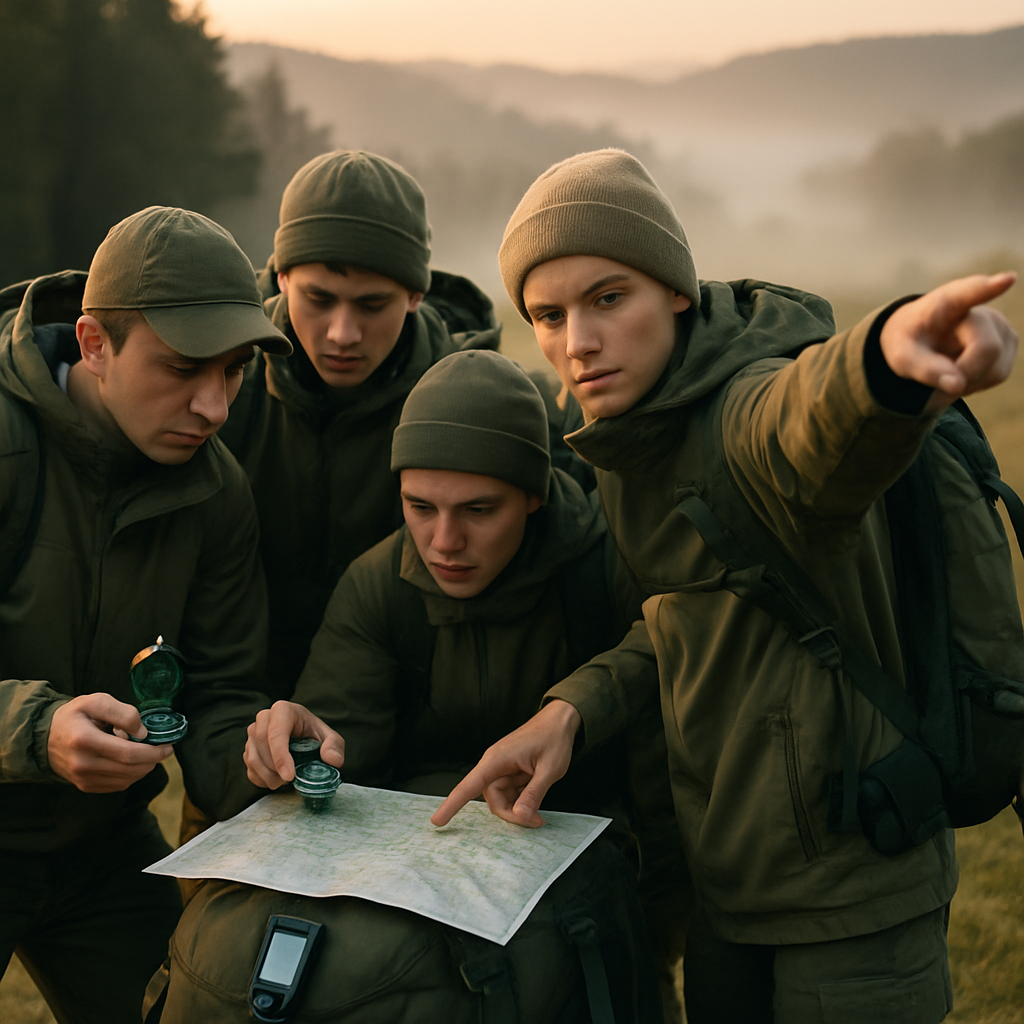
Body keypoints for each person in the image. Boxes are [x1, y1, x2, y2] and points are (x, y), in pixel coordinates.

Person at [432, 149, 1020, 1023]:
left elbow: (806, 423)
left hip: (852, 902)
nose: (577, 342)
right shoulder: (638, 435)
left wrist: (885, 361)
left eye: (607, 298)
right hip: (731, 898)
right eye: (547, 315)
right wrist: (571, 712)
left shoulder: (741, 403)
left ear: (674, 288)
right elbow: (687, 614)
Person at [155, 350, 684, 1023]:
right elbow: (341, 756)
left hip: (582, 882)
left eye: (479, 509)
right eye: (419, 506)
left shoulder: (608, 572)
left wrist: (655, 942)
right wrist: (294, 752)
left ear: (535, 492)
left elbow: (667, 752)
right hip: (427, 898)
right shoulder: (378, 585)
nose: (444, 541)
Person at [0, 206, 292, 1024]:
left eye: (234, 372)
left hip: (100, 849)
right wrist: (37, 731)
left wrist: (272, 755)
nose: (215, 406)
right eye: (183, 369)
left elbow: (223, 685)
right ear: (95, 345)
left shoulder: (216, 487)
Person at [218, 150, 503, 695]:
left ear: (417, 294)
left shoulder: (471, 407)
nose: (342, 333)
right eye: (318, 300)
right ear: (280, 277)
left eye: (372, 305)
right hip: (242, 711)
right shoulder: (221, 387)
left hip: (409, 710)